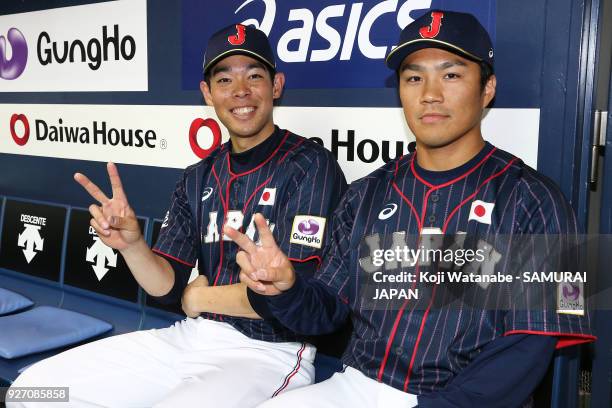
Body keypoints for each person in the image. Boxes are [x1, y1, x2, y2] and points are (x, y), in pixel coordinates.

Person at [226, 10, 596, 407]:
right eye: (414, 77)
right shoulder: (366, 194)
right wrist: (286, 290)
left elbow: (529, 347)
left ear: (487, 88)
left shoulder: (536, 199)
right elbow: (328, 310)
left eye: (451, 75)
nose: (430, 94)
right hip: (358, 385)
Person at [8, 23, 347, 407]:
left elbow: (288, 297)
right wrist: (133, 246)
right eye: (225, 79)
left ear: (276, 85)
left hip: (269, 351)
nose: (241, 91)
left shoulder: (310, 167)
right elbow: (167, 289)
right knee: (36, 390)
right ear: (208, 93)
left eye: (254, 76)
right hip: (191, 336)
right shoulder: (198, 175)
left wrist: (200, 298)